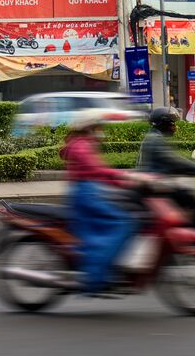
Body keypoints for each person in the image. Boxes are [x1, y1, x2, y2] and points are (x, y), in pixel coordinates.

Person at [60, 109, 141, 293]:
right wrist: (126, 176)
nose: (100, 132)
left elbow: (100, 174)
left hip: (91, 192)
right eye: (97, 128)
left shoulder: (82, 143)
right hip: (87, 196)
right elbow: (98, 171)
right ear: (88, 128)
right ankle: (96, 276)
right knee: (124, 223)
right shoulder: (81, 146)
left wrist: (124, 183)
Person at [138, 107, 195, 176]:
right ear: (163, 124)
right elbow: (175, 160)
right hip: (154, 183)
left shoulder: (153, 136)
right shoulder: (155, 140)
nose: (175, 128)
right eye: (172, 124)